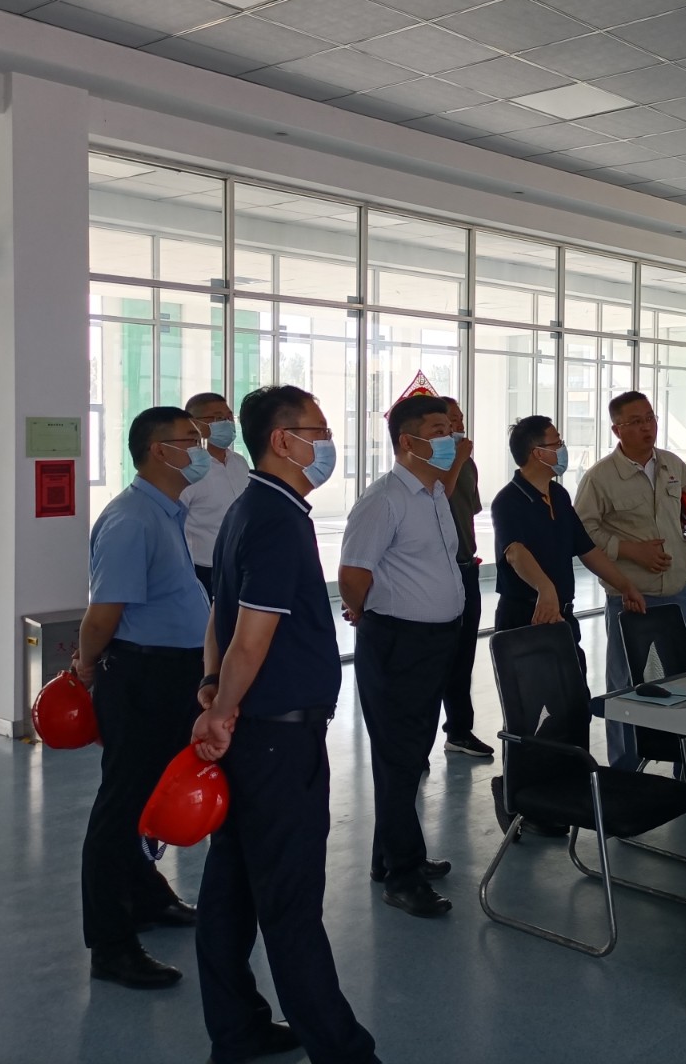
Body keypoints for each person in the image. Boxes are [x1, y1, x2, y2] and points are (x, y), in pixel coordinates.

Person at [191, 384, 378, 1064]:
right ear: (282, 440)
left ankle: (237, 1029)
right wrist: (221, 709)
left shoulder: (248, 508)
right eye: (317, 431)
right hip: (276, 738)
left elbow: (219, 617)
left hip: (257, 731)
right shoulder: (275, 519)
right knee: (290, 902)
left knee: (232, 887)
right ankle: (342, 1051)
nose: (327, 443)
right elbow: (250, 636)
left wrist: (213, 690)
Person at [77, 406, 212, 989]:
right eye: (190, 440)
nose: (202, 449)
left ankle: (147, 897)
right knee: (122, 807)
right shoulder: (131, 519)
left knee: (151, 797)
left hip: (174, 674)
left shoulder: (166, 512)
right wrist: (86, 666)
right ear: (159, 451)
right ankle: (111, 943)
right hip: (141, 676)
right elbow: (102, 614)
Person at [339, 394, 465, 919]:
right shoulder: (385, 498)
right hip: (398, 642)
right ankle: (402, 875)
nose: (451, 438)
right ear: (408, 441)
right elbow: (353, 574)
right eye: (439, 430)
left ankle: (387, 854)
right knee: (399, 757)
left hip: (433, 642)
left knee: (409, 755)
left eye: (451, 428)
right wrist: (369, 614)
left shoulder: (434, 492)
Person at [574, 391, 686, 772]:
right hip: (630, 598)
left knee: (684, 681)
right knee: (625, 686)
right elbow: (583, 531)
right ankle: (624, 771)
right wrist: (630, 550)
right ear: (617, 430)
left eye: (650, 418)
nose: (647, 427)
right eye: (635, 422)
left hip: (676, 594)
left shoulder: (672, 465)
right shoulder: (600, 478)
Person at [490, 415, 648, 664]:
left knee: (574, 685)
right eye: (557, 443)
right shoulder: (508, 500)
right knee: (533, 688)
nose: (563, 448)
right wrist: (545, 588)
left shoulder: (559, 495)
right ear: (538, 453)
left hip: (562, 615)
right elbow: (515, 552)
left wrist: (625, 586)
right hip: (527, 616)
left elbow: (587, 549)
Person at [437, 397, 491, 759]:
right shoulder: (432, 463)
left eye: (460, 419)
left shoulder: (468, 462)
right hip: (438, 571)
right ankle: (416, 745)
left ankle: (459, 730)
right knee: (436, 657)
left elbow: (469, 511)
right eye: (450, 421)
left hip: (466, 566)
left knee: (463, 655)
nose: (459, 426)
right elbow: (440, 496)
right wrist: (457, 458)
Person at [181, 391, 251, 597]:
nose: (228, 423)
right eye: (219, 418)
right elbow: (175, 523)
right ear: (196, 424)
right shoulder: (189, 470)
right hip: (203, 569)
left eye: (230, 417)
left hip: (240, 564)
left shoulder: (239, 463)